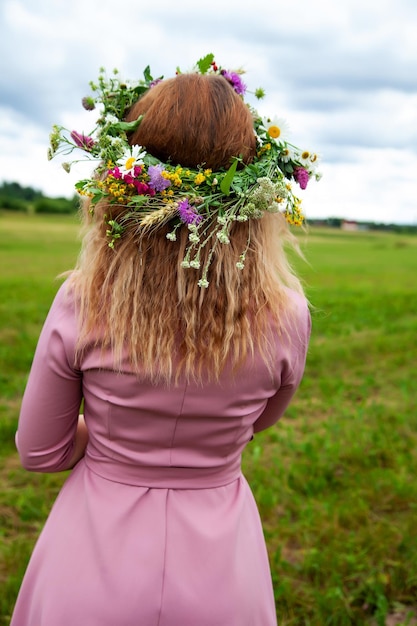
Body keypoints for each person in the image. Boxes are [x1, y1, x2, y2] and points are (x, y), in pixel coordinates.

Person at [11, 55, 320, 626]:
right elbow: (259, 421)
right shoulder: (288, 314)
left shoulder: (85, 300)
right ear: (253, 193)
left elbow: (40, 450)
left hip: (91, 563)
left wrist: (114, 437)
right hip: (223, 574)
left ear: (122, 188)